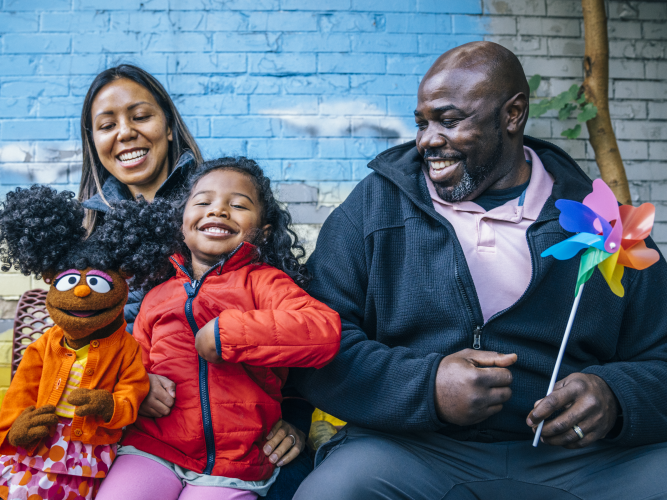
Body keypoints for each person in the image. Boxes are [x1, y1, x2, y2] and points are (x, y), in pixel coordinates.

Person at [292, 41, 667, 499]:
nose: (427, 140)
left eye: (449, 122)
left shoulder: (603, 222)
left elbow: (661, 359)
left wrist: (616, 398)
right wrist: (427, 388)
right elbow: (311, 342)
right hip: (411, 451)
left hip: (582, 461)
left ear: (513, 115)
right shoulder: (374, 208)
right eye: (422, 123)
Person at [77, 65, 313, 496]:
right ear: (94, 142)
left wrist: (296, 419)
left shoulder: (220, 210)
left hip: (241, 442)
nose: (125, 133)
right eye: (108, 125)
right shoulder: (90, 238)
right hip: (140, 435)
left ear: (169, 126)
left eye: (140, 116)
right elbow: (82, 346)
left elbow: (296, 326)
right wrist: (131, 384)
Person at [95, 157, 341, 499]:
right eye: (203, 202)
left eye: (238, 205)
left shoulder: (268, 284)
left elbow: (322, 330)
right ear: (181, 222)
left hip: (234, 465)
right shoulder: (156, 295)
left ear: (264, 230)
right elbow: (131, 359)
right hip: (151, 449)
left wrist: (228, 333)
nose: (219, 211)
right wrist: (139, 385)